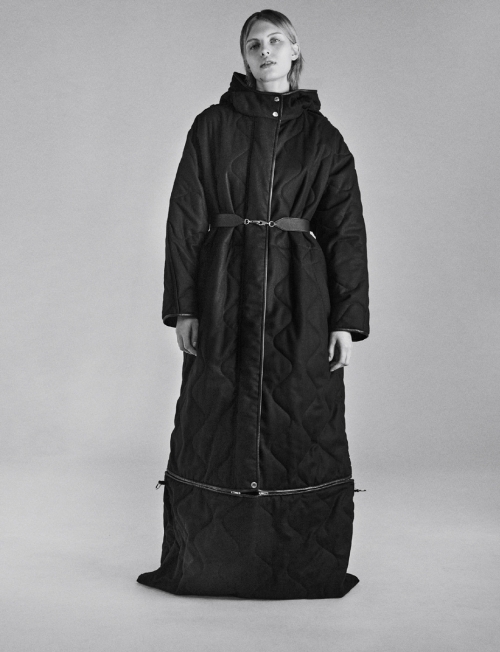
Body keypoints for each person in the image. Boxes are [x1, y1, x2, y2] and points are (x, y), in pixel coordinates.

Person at [137, 9, 369, 600]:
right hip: (223, 288)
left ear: (294, 51)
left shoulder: (324, 138)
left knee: (301, 415)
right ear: (243, 58)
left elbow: (345, 232)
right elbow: (185, 218)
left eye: (275, 41)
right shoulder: (212, 126)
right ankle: (208, 561)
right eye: (252, 44)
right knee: (214, 412)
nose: (264, 51)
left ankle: (300, 562)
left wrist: (346, 320)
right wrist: (185, 306)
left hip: (300, 294)